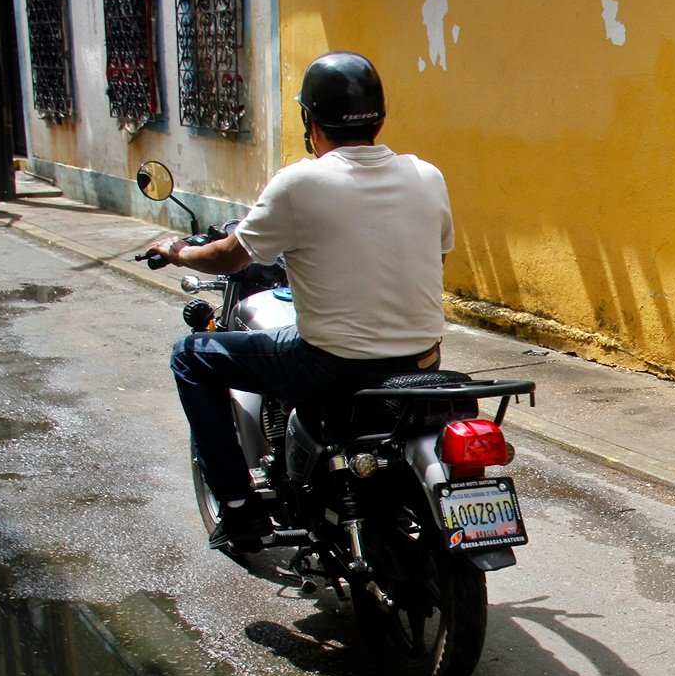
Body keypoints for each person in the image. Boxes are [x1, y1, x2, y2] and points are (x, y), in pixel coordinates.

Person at [145, 51, 454, 552]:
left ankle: (242, 511)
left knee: (191, 358)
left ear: (311, 121)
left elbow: (228, 257)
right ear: (379, 117)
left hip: (331, 365)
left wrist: (178, 251)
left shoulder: (300, 182)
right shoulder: (427, 175)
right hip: (423, 356)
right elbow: (433, 259)